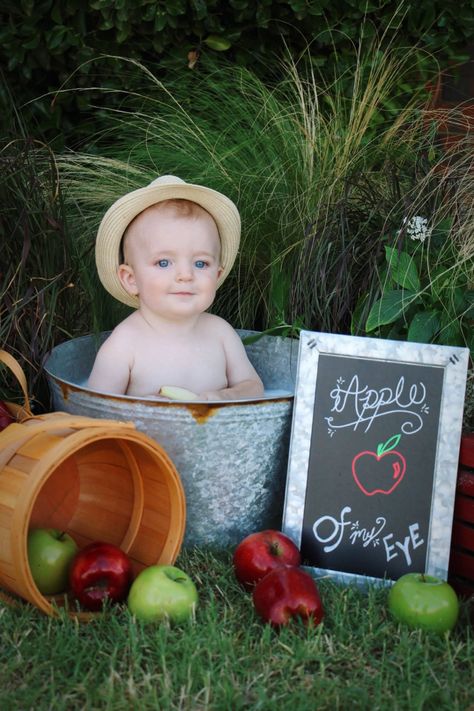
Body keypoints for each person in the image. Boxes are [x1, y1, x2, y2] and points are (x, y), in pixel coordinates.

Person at [87, 175, 264, 400]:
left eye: (201, 263)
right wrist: (149, 410)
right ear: (131, 279)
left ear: (217, 275)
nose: (185, 275)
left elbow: (253, 386)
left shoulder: (221, 334)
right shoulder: (123, 345)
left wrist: (225, 397)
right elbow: (95, 411)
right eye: (164, 263)